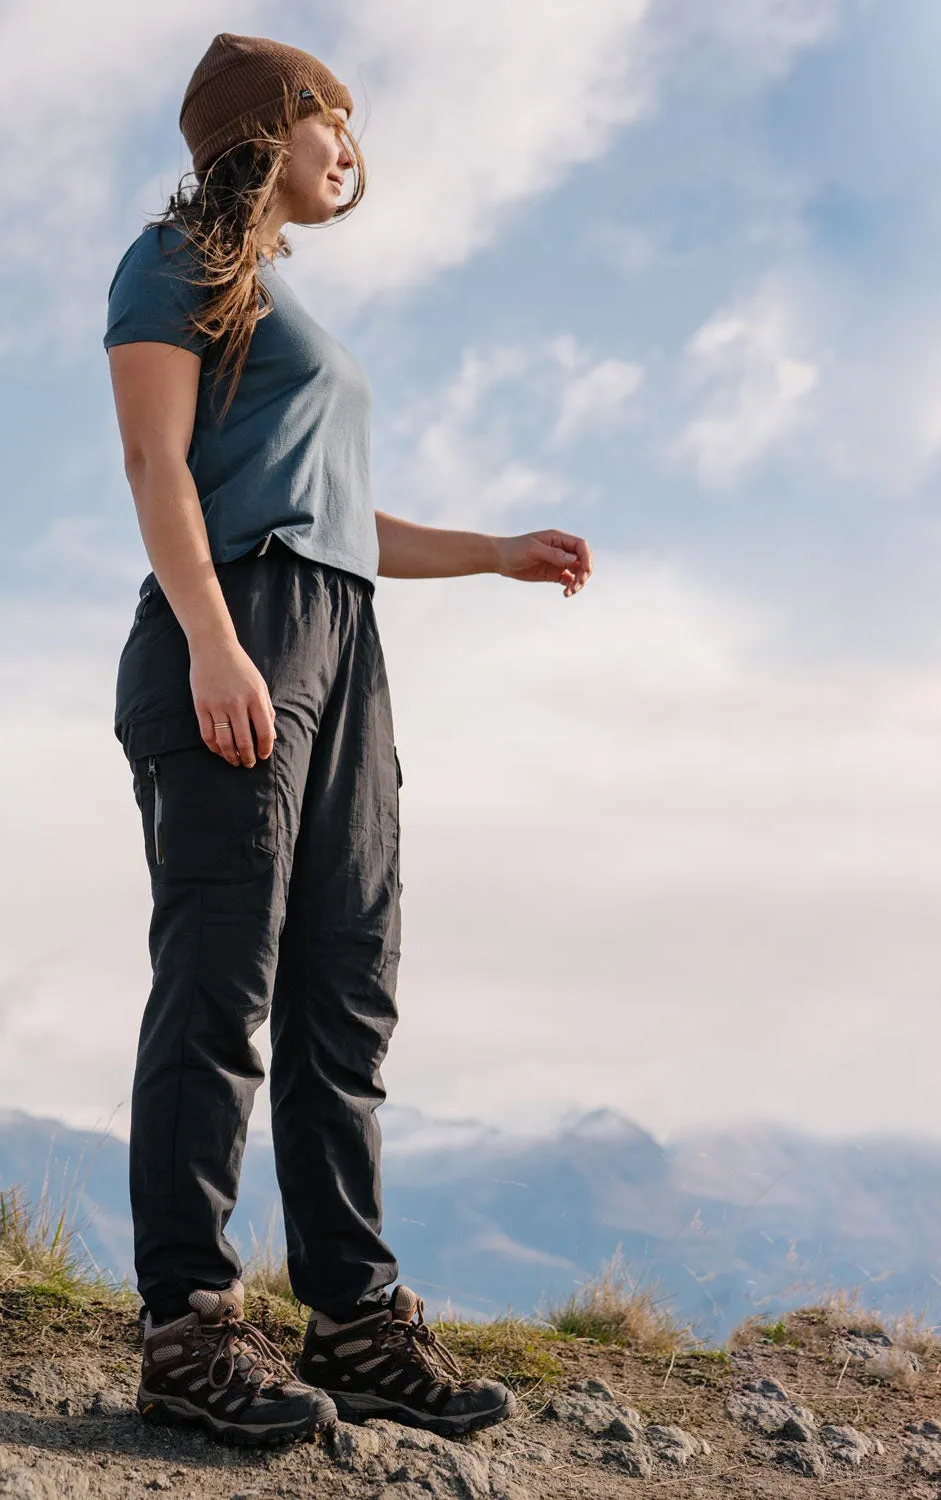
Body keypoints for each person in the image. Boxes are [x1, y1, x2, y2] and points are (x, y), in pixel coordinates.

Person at [105, 32, 594, 1448]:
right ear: (272, 128)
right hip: (237, 628)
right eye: (333, 122)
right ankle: (189, 1329)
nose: (350, 151)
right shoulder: (174, 262)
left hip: (341, 638)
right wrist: (211, 639)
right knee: (219, 983)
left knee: (346, 985)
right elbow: (155, 465)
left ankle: (357, 1321)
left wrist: (494, 551)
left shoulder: (282, 305)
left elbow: (345, 525)